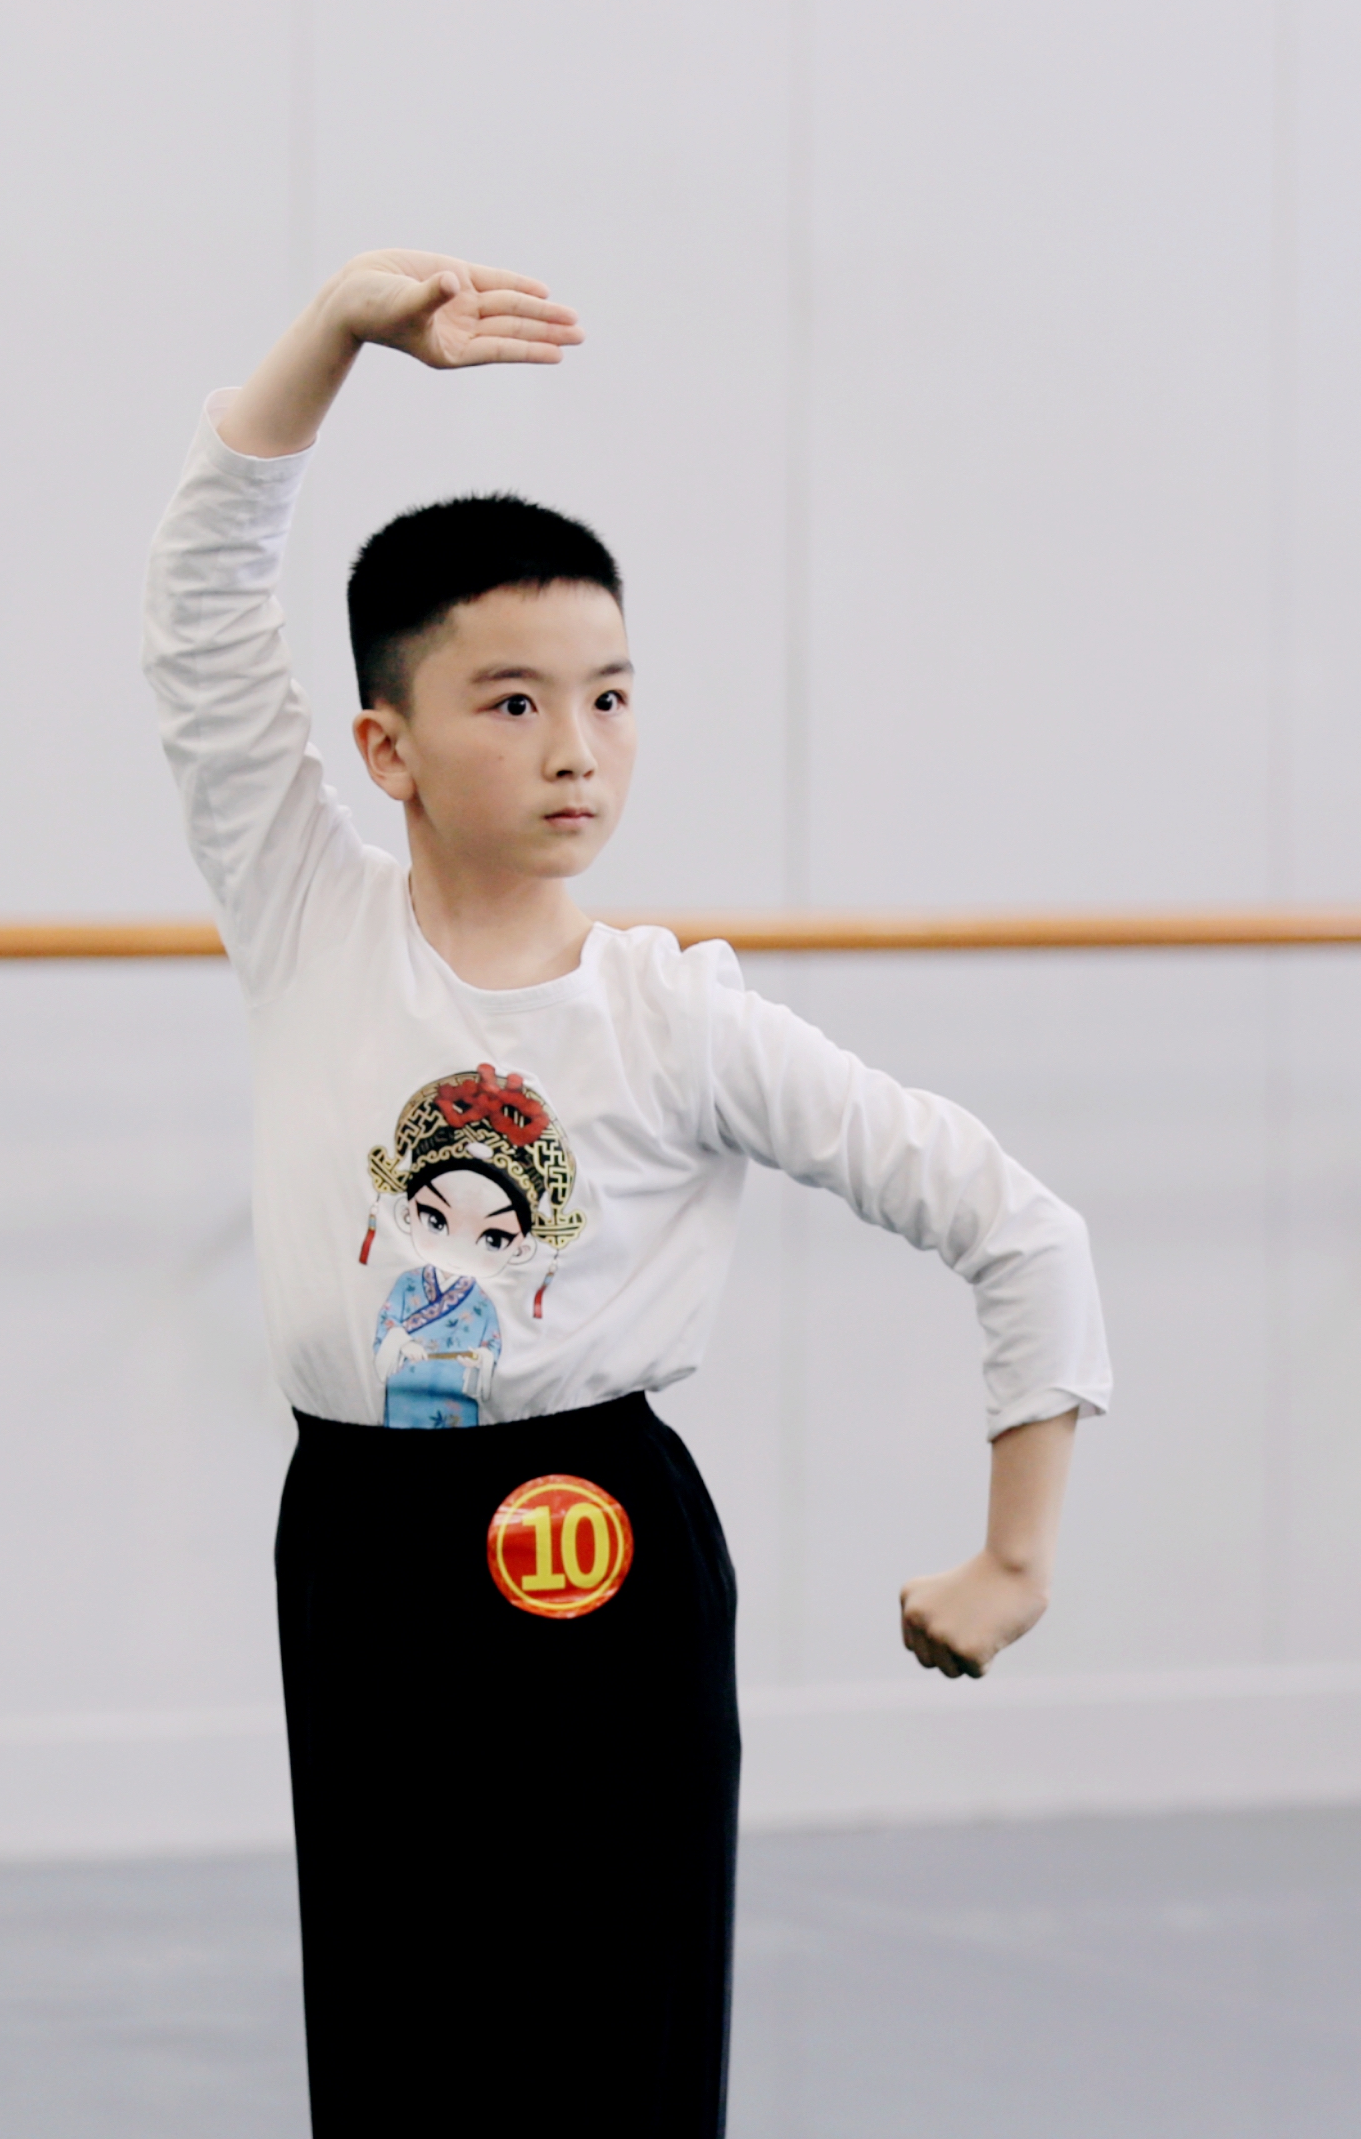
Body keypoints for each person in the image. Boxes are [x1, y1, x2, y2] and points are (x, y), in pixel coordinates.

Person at [145, 246, 1112, 2137]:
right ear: (385, 747)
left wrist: (1017, 1556)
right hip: (358, 1536)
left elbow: (1016, 1223)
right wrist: (334, 330)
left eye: (608, 695)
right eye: (510, 703)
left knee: (611, 2051)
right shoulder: (311, 915)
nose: (575, 746)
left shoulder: (678, 1018)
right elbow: (201, 606)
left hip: (595, 1543)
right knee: (402, 2051)